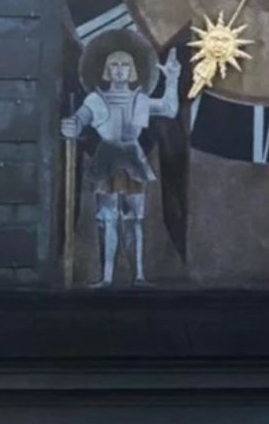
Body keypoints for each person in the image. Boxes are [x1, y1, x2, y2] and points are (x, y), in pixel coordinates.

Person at [62, 45, 181, 286]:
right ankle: (106, 278)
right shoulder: (95, 99)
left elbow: (169, 109)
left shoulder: (139, 98)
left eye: (124, 65)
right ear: (107, 71)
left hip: (132, 160)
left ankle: (138, 275)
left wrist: (172, 79)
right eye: (114, 65)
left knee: (134, 218)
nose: (119, 70)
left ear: (132, 71)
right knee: (107, 218)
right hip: (107, 159)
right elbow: (80, 119)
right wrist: (70, 125)